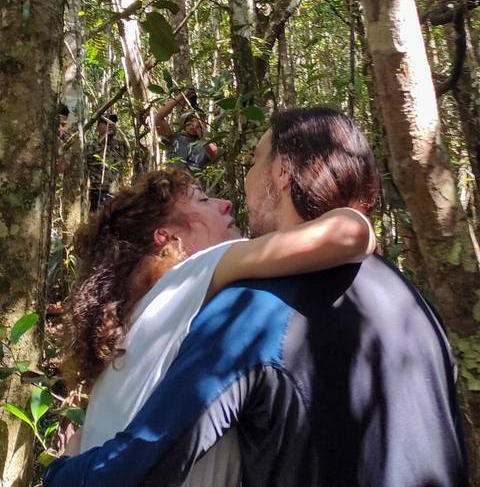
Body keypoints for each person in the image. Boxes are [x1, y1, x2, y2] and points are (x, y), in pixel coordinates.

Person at [45, 108, 467, 487]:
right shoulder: (416, 305)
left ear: (282, 173)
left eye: (251, 163)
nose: (233, 196)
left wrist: (61, 469)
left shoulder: (248, 310)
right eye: (207, 200)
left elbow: (142, 466)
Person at [86, 113, 128, 211]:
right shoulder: (91, 146)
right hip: (96, 192)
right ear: (98, 126)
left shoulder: (121, 146)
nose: (110, 125)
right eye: (106, 123)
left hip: (115, 193)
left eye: (113, 122)